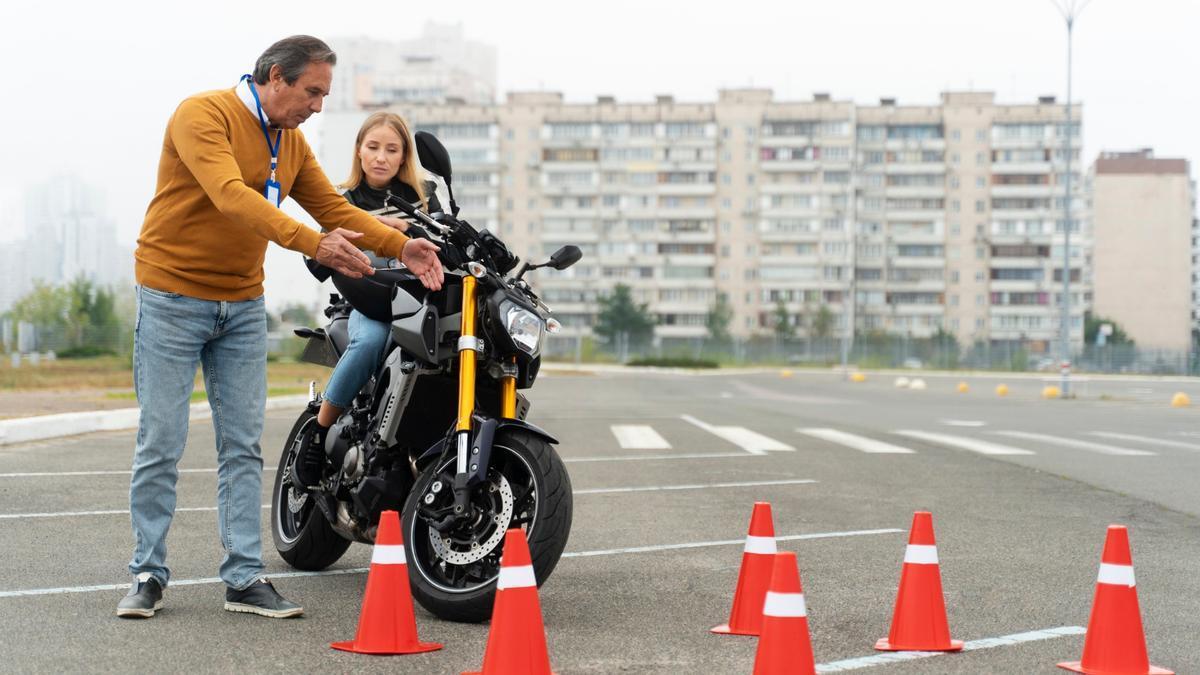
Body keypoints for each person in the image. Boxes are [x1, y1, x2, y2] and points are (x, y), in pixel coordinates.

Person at [119, 36, 443, 620]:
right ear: (275, 76)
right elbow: (231, 197)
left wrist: (403, 246)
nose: (318, 105)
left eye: (325, 94)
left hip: (240, 304)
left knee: (242, 445)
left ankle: (244, 578)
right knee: (161, 440)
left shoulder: (288, 141)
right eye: (312, 91)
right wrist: (314, 243)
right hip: (172, 294)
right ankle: (147, 571)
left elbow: (337, 211)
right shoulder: (204, 114)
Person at [291, 111, 441, 489]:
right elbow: (318, 259)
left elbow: (447, 243)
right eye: (373, 147)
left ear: (404, 156)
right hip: (366, 303)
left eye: (392, 149)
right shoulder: (343, 201)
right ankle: (316, 433)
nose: (381, 157)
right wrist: (373, 229)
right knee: (371, 342)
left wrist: (409, 227)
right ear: (359, 151)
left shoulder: (425, 200)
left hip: (419, 304)